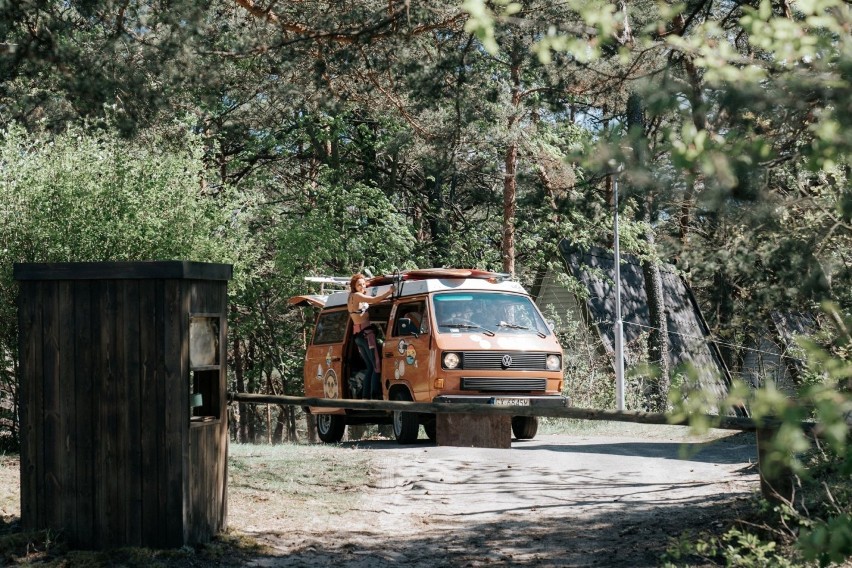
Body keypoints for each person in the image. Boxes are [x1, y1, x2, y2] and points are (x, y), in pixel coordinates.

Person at [348, 273, 393, 399]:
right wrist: (389, 292)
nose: (362, 286)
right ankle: (375, 396)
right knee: (376, 366)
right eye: (359, 284)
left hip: (358, 336)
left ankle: (365, 397)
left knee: (369, 368)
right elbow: (374, 300)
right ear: (354, 286)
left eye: (363, 284)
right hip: (367, 335)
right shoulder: (357, 296)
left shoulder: (351, 297)